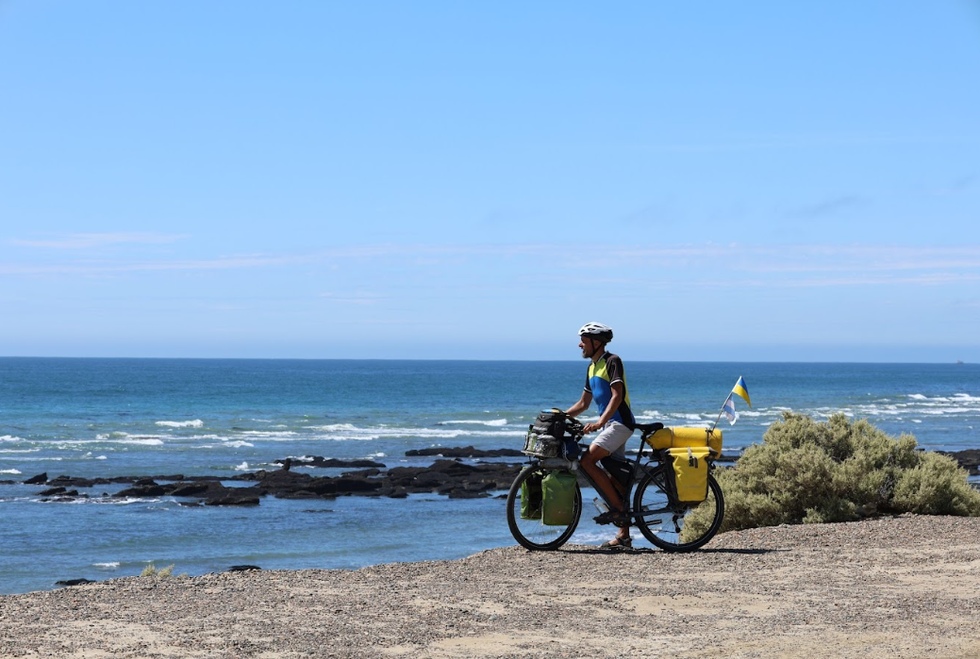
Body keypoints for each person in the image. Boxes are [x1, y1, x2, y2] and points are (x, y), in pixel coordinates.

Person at [564, 322, 636, 549]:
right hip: (610, 426)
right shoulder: (592, 368)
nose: (580, 345)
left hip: (619, 424)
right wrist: (561, 415)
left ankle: (619, 512)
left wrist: (600, 422)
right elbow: (583, 403)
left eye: (583, 341)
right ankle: (624, 537)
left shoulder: (612, 362)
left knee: (587, 461)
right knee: (617, 478)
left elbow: (617, 395)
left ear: (596, 342)